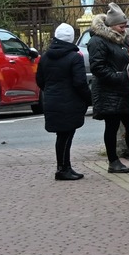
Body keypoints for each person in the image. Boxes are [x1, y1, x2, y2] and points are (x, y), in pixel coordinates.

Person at [39, 23, 93, 181]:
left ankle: (64, 166)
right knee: (67, 135)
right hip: (70, 101)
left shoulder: (45, 57)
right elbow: (80, 83)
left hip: (52, 100)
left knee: (62, 136)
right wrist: (88, 99)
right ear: (71, 39)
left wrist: (50, 91)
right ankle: (63, 168)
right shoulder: (74, 57)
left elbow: (40, 80)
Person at [87, 6, 129, 174]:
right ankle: (113, 161)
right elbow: (98, 67)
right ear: (111, 25)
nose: (125, 28)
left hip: (123, 89)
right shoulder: (98, 41)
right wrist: (120, 77)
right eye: (121, 25)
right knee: (112, 125)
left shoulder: (123, 39)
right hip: (108, 91)